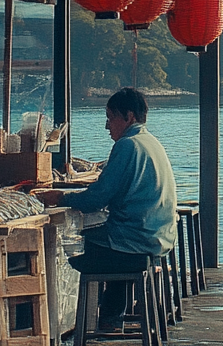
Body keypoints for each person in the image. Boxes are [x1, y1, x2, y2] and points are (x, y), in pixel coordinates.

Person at [62, 87, 177, 332]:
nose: (107, 126)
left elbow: (98, 197)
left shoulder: (128, 145)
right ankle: (111, 316)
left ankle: (88, 321)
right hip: (156, 236)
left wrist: (60, 198)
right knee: (108, 236)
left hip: (138, 239)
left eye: (110, 117)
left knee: (75, 244)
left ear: (129, 117)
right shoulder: (150, 142)